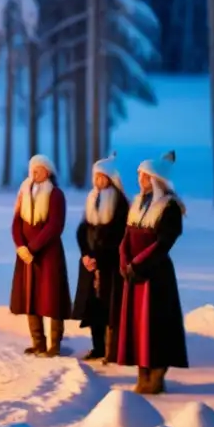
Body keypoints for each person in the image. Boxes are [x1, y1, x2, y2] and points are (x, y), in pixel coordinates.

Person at [116, 152, 188, 395]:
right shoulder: (137, 203)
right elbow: (126, 237)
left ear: (156, 178)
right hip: (133, 276)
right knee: (137, 326)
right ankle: (142, 373)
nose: (140, 179)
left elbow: (163, 242)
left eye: (144, 175)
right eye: (139, 175)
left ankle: (156, 375)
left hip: (155, 276)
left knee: (156, 325)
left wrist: (138, 264)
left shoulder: (169, 207)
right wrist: (125, 261)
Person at [9, 154, 71, 357]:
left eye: (38, 170)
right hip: (26, 256)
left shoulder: (56, 195)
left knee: (52, 298)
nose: (33, 174)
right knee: (30, 297)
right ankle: (38, 342)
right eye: (32, 170)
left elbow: (55, 226)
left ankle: (55, 345)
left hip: (48, 254)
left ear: (48, 172)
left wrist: (33, 248)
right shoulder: (24, 192)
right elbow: (17, 221)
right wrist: (21, 246)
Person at [71, 153, 129, 363]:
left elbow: (119, 234)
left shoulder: (120, 202)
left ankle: (111, 350)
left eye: (102, 177)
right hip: (90, 264)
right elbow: (81, 230)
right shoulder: (91, 198)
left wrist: (100, 258)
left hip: (110, 264)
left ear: (111, 178)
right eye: (95, 177)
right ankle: (97, 347)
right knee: (93, 308)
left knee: (110, 307)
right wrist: (86, 255)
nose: (98, 181)